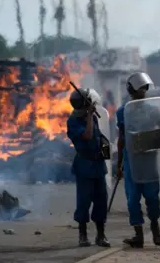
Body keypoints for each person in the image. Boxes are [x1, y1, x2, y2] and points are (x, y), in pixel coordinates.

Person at [116, 72, 160, 248]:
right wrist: (119, 163)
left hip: (149, 158)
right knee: (132, 199)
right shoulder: (123, 111)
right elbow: (121, 138)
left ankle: (155, 225)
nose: (142, 91)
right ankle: (138, 234)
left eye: (144, 88)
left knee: (152, 197)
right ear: (131, 90)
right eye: (140, 89)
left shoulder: (153, 109)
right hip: (131, 161)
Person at [66, 88, 110, 247]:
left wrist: (106, 152)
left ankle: (101, 234)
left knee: (101, 202)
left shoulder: (91, 118)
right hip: (84, 166)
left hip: (98, 166)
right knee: (84, 202)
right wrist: (90, 116)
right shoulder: (73, 121)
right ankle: (82, 235)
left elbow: (98, 138)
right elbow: (87, 136)